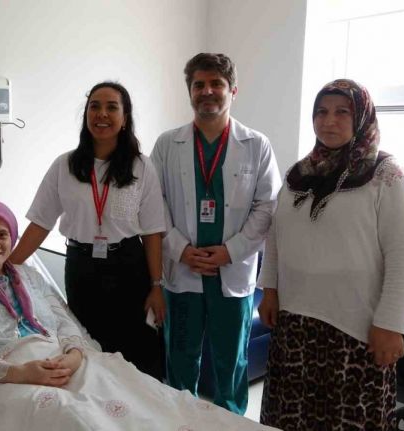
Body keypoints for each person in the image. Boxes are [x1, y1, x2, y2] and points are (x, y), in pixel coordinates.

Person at [0, 200, 279, 431]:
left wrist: (74, 354)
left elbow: (63, 318)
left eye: (2, 235)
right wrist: (21, 372)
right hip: (11, 375)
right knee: (75, 417)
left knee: (143, 396)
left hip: (63, 360)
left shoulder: (28, 275)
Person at [257, 79, 404, 430]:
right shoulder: (299, 174)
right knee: (290, 415)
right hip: (295, 327)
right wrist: (269, 290)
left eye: (342, 112)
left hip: (355, 331)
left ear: (362, 117)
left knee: (348, 419)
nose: (329, 121)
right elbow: (277, 236)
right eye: (321, 112)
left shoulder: (386, 175)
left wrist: (391, 324)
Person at [150, 53, 281, 414]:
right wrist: (180, 249)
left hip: (232, 270)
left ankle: (230, 420)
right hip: (183, 270)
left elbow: (267, 206)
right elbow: (154, 203)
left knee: (231, 364)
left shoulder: (256, 145)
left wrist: (230, 251)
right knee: (180, 359)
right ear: (190, 92)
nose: (207, 91)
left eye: (216, 84)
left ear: (232, 90)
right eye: (199, 85)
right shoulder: (167, 144)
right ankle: (179, 421)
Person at [8, 82, 166, 379]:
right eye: (95, 106)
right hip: (83, 268)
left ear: (125, 118)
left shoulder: (141, 167)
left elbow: (152, 231)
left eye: (111, 107)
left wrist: (157, 285)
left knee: (138, 352)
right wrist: (7, 266)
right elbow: (40, 222)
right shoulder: (65, 165)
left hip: (129, 267)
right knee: (87, 348)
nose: (101, 114)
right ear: (86, 114)